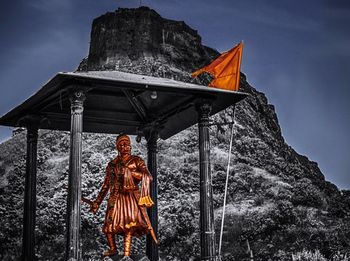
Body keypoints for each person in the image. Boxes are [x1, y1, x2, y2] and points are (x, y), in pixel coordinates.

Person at [89, 134, 157, 257]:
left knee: (128, 225)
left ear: (130, 145)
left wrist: (131, 172)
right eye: (121, 144)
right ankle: (113, 248)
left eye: (126, 143)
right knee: (108, 226)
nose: (124, 146)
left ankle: (126, 253)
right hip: (115, 196)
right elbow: (106, 185)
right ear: (117, 147)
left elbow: (148, 177)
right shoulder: (112, 164)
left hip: (130, 197)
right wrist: (97, 202)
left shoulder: (137, 160)